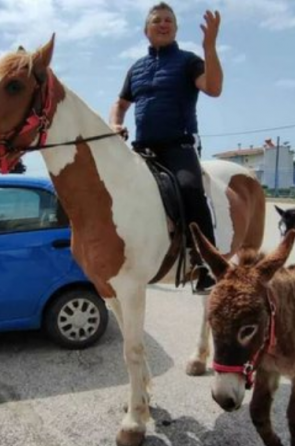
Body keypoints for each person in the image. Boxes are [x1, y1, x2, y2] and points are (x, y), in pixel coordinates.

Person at [109, 3, 223, 293]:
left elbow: (213, 88)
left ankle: (207, 265)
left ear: (175, 28)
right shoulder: (136, 68)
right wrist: (114, 123)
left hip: (178, 146)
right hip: (142, 148)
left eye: (168, 20)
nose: (163, 24)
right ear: (146, 30)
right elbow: (120, 104)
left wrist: (209, 47)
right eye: (157, 20)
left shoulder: (189, 61)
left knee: (189, 189)